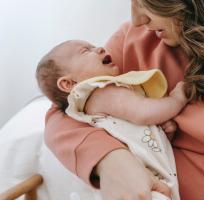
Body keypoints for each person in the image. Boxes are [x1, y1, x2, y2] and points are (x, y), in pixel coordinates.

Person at [44, 0, 204, 199]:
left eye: (147, 2)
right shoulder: (136, 38)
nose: (136, 19)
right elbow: (64, 108)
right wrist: (111, 160)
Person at [36, 39, 187, 200]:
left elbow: (134, 131)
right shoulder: (101, 92)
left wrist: (159, 131)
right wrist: (177, 98)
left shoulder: (93, 103)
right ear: (68, 83)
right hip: (144, 184)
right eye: (86, 51)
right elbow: (143, 113)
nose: (100, 48)